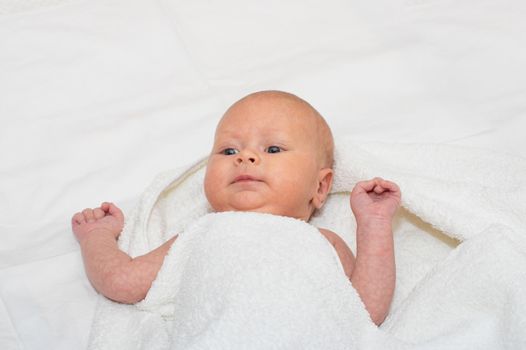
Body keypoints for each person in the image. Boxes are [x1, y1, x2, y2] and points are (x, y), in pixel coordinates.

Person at [72, 90, 401, 326]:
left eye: (273, 148)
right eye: (228, 151)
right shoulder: (202, 234)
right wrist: (97, 237)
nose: (245, 157)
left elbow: (366, 310)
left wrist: (373, 223)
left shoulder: (323, 243)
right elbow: (122, 281)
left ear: (320, 187)